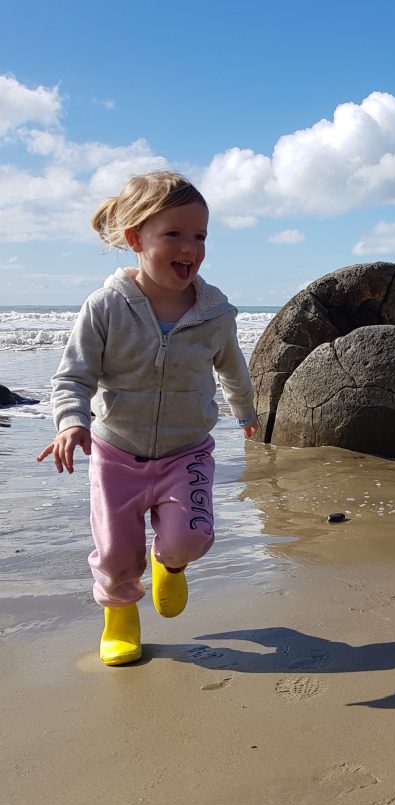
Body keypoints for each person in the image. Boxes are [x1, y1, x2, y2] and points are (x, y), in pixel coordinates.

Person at [37, 171, 258, 666]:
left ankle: (170, 564)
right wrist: (70, 422)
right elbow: (73, 376)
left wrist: (246, 411)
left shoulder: (214, 313)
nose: (190, 248)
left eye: (199, 236)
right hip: (116, 454)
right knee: (116, 555)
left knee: (191, 538)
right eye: (174, 234)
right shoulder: (106, 307)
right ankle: (119, 618)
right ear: (136, 239)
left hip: (187, 451)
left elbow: (233, 369)